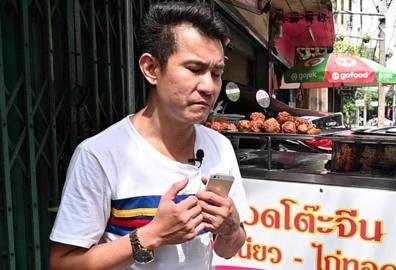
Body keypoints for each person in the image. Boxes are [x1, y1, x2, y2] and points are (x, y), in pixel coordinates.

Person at [49, 2, 250, 269]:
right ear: (151, 69)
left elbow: (228, 249)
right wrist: (152, 234)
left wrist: (231, 227)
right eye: (194, 69)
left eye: (216, 74)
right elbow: (63, 264)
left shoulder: (220, 147)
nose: (209, 86)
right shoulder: (99, 155)